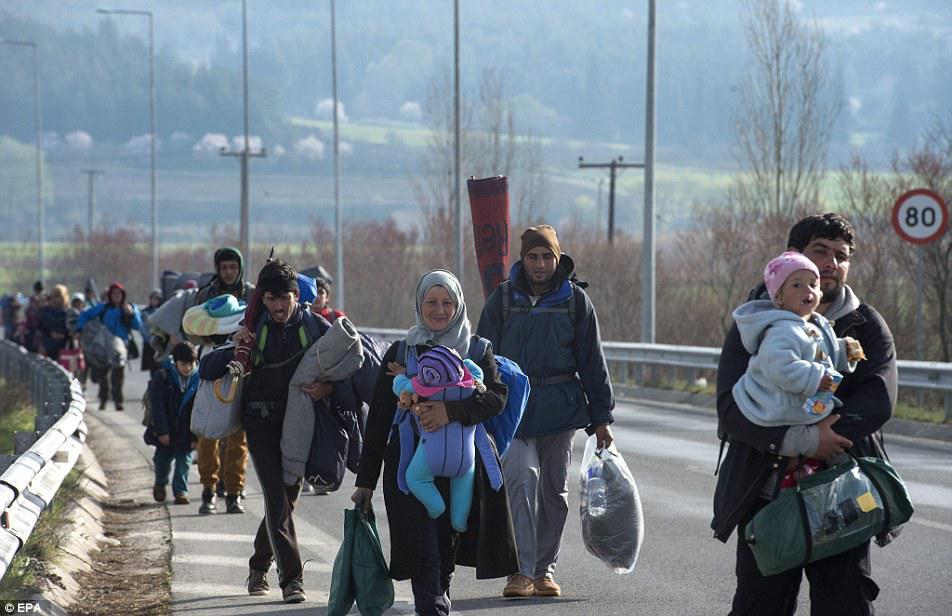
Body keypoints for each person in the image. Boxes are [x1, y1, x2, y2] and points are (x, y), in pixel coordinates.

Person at [712, 213, 897, 615]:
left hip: (843, 492)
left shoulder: (865, 324)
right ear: (794, 256)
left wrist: (827, 439)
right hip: (765, 490)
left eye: (841, 255)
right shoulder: (755, 322)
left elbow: (879, 399)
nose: (831, 263)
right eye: (820, 251)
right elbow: (730, 407)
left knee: (844, 603)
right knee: (760, 606)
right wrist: (796, 440)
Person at [352, 269, 518, 616]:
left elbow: (496, 398)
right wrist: (365, 482)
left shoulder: (476, 349)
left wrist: (449, 411)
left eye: (447, 302)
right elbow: (380, 418)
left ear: (459, 306)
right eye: (431, 302)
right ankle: (433, 605)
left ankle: (440, 591)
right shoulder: (402, 352)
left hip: (461, 466)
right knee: (423, 551)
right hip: (410, 468)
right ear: (419, 304)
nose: (439, 310)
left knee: (445, 549)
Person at [476, 224, 615, 599]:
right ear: (522, 259)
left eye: (547, 257)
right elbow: (481, 357)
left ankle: (544, 569)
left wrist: (601, 419)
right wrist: (480, 404)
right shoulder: (503, 300)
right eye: (533, 257)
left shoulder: (574, 301)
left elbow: (592, 361)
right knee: (520, 479)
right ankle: (520, 571)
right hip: (513, 412)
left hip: (560, 408)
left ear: (558, 258)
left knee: (554, 490)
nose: (540, 264)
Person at [201, 259, 331, 604]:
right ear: (264, 298)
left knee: (284, 502)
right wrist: (236, 342)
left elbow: (339, 366)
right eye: (271, 299)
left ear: (295, 297)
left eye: (284, 299)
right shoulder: (251, 326)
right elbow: (208, 367)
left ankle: (258, 565)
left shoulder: (315, 327)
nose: (277, 307)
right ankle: (293, 579)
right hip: (259, 423)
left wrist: (327, 389)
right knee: (277, 499)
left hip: (299, 425)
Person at [191, 247, 254, 515]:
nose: (229, 272)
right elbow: (193, 330)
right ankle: (208, 489)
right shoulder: (206, 296)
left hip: (241, 366)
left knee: (238, 434)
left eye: (233, 267)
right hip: (211, 366)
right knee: (209, 432)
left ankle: (234, 491)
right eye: (224, 267)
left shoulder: (252, 295)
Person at [144, 341, 200, 505]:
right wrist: (162, 431)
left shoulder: (199, 379)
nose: (188, 368)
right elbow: (157, 406)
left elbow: (200, 410)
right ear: (175, 362)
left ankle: (181, 491)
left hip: (187, 430)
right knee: (162, 460)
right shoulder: (162, 377)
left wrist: (196, 435)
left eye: (191, 364)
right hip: (166, 429)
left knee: (184, 462)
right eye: (183, 364)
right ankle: (160, 484)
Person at [77, 282, 143, 411]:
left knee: (118, 375)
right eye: (114, 293)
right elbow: (85, 315)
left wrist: (131, 314)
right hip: (104, 346)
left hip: (121, 347)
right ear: (110, 295)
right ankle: (103, 399)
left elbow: (137, 325)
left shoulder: (129, 308)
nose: (117, 296)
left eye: (119, 293)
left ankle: (118, 401)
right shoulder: (103, 308)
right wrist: (80, 328)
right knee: (103, 375)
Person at [38, 284, 71, 361]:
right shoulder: (46, 311)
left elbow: (72, 328)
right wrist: (51, 333)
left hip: (64, 347)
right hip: (49, 346)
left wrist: (64, 335)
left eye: (59, 297)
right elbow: (41, 326)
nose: (58, 300)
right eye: (56, 297)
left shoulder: (69, 312)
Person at [140, 289, 164, 375]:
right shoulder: (145, 312)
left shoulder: (164, 310)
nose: (154, 301)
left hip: (160, 344)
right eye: (152, 298)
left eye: (156, 299)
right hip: (149, 344)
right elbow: (143, 326)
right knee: (152, 370)